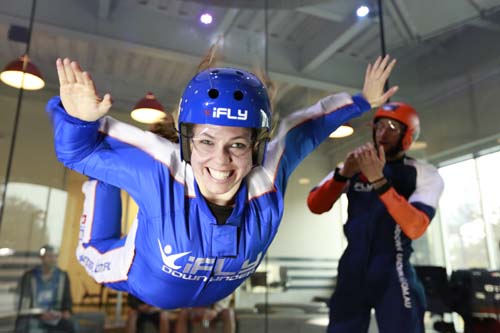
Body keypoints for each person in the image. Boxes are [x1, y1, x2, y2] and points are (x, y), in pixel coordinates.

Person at [46, 54, 398, 309]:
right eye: (206, 142)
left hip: (207, 293)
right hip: (134, 272)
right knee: (97, 200)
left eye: (238, 145)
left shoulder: (268, 178)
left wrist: (362, 101)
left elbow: (307, 127)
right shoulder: (162, 168)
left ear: (257, 147)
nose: (221, 160)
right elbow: (78, 152)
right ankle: (104, 181)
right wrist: (77, 120)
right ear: (186, 143)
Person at [307, 102, 444, 333]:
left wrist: (379, 182)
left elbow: (415, 226)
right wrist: (342, 176)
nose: (383, 133)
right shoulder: (351, 165)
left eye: (392, 127)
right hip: (352, 266)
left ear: (408, 135)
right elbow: (315, 205)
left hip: (393, 268)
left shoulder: (423, 173)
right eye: (379, 126)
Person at [15, 245, 75, 333]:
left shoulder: (62, 276)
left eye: (55, 256)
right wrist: (39, 315)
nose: (52, 259)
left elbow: (67, 300)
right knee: (27, 326)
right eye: (49, 256)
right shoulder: (29, 276)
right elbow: (23, 304)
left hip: (56, 315)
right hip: (34, 316)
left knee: (72, 325)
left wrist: (66, 311)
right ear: (42, 258)